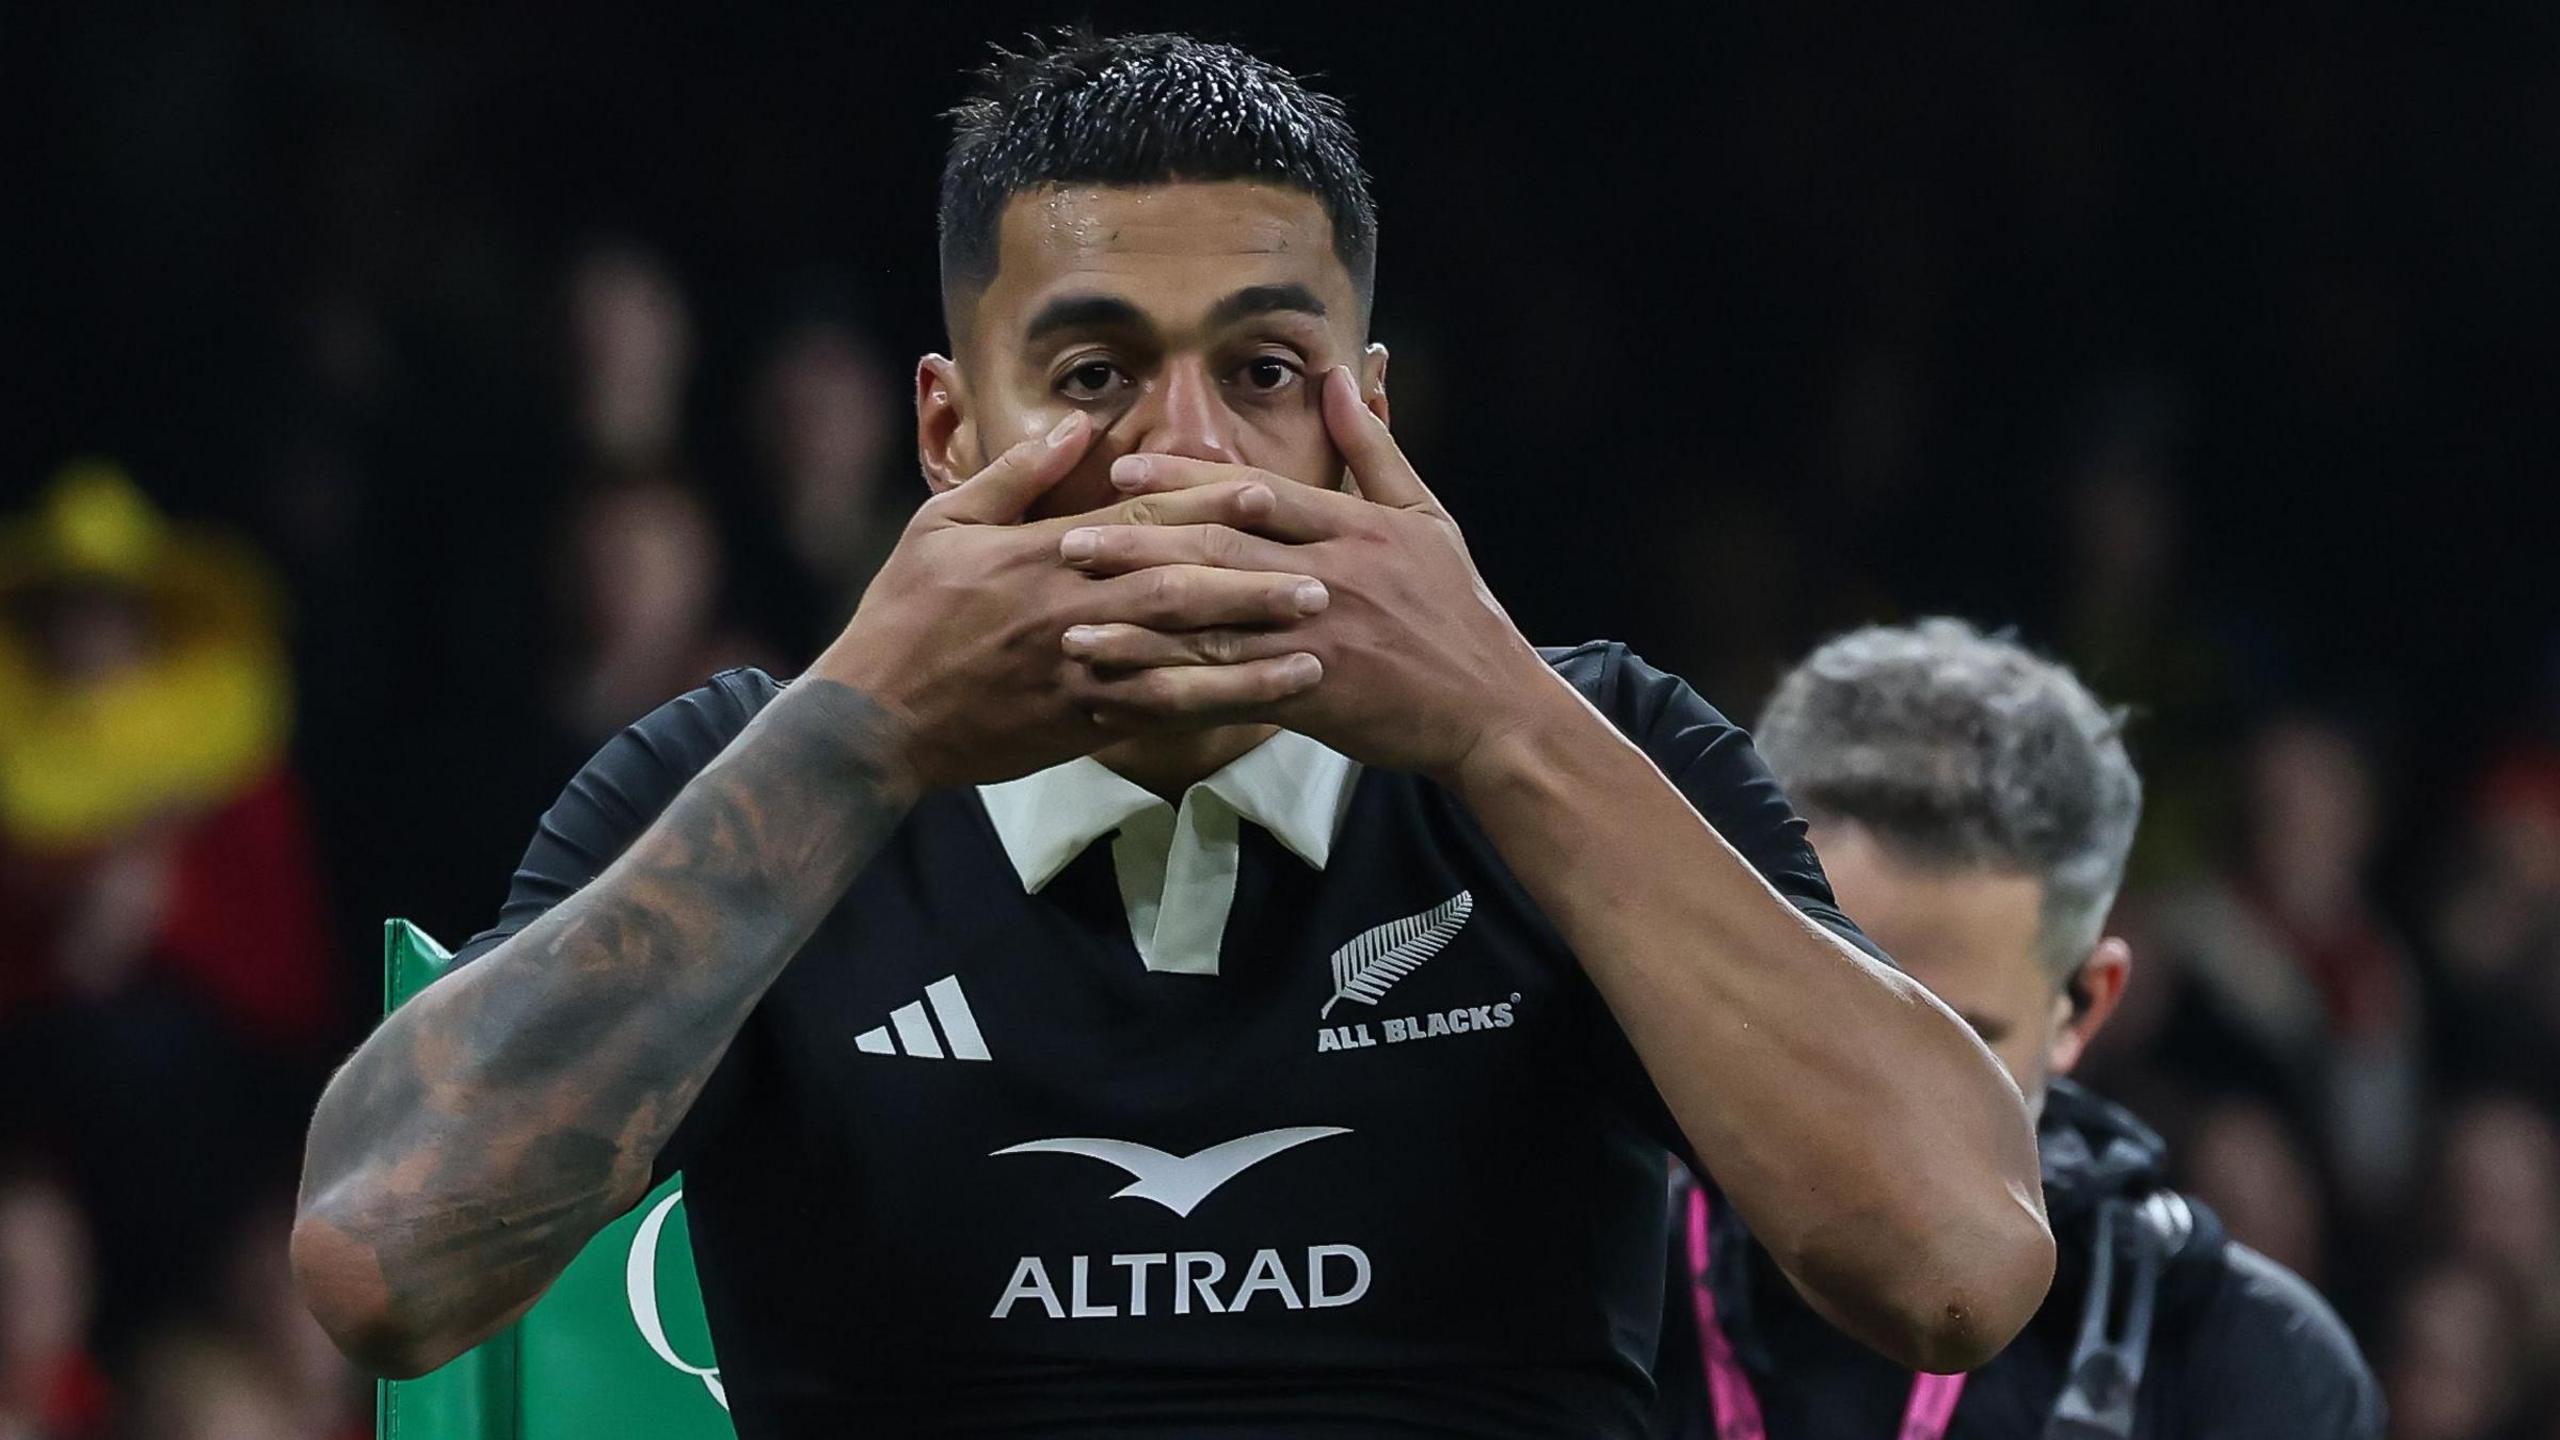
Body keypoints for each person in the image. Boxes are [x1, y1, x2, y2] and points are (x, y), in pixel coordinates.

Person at [292, 31, 2053, 1436]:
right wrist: (860, 738)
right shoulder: (755, 778)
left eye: (1266, 373)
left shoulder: (1586, 751)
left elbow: (1959, 1270)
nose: (1186, 454)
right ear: (946, 432)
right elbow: (382, 1265)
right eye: (1091, 375)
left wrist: (1505, 725)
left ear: (1369, 414)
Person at [1650, 619, 2381, 1439]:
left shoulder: (2242, 1366)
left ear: (2084, 1006)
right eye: (1832, 1022)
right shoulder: (1572, 1293)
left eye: (1961, 1045)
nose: (1882, 1115)